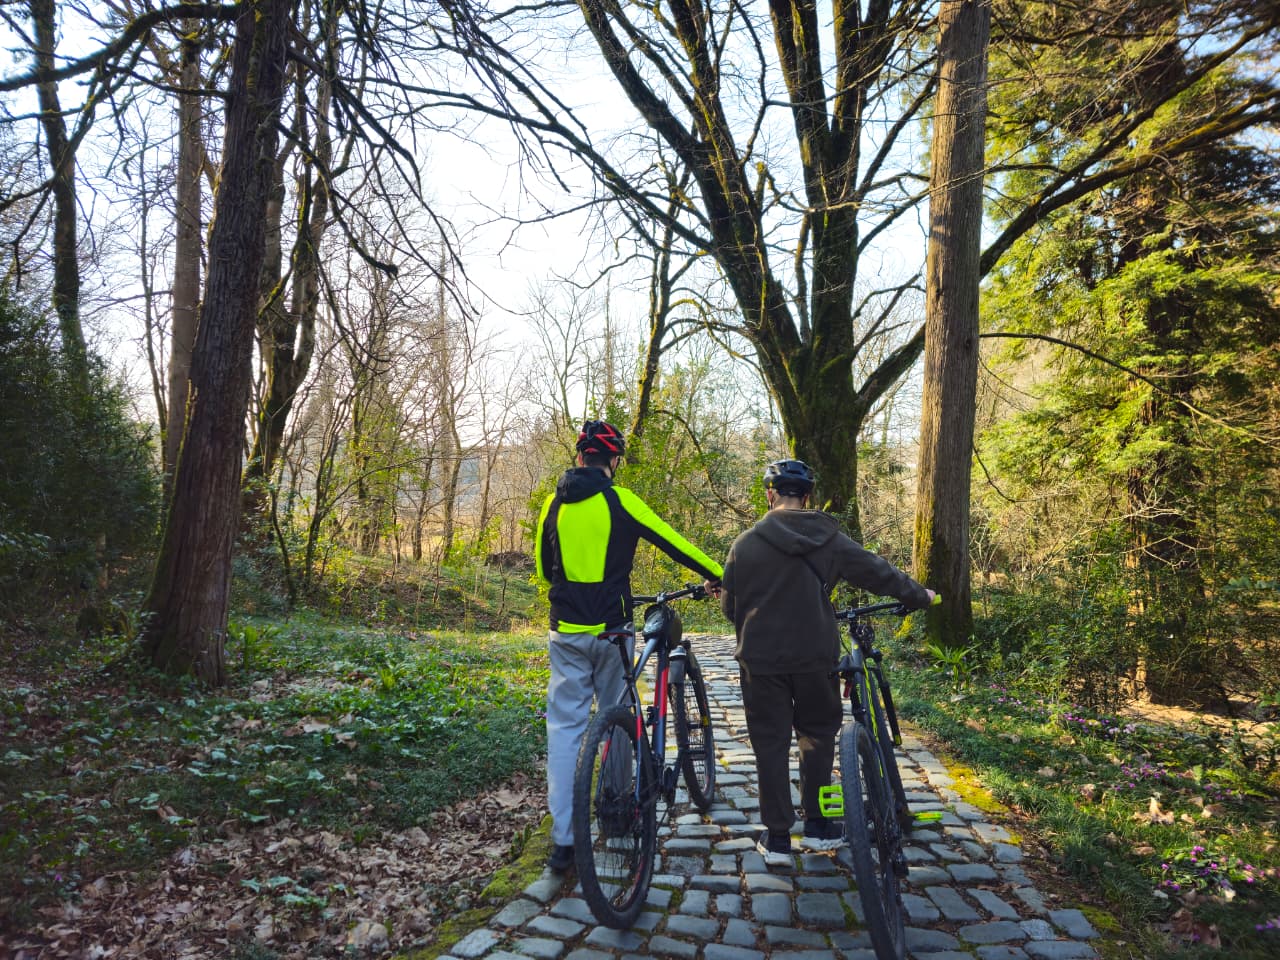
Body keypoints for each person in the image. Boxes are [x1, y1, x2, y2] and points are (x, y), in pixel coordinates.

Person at [719, 458, 935, 866]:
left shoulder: (744, 545)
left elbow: (731, 610)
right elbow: (878, 572)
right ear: (807, 496)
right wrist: (918, 595)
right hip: (815, 656)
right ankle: (818, 824)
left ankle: (778, 837)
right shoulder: (831, 540)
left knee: (770, 742)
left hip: (761, 661)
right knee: (817, 735)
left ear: (770, 494)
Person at [535, 419, 723, 873]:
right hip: (612, 632)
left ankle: (563, 842)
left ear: (580, 456)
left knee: (564, 731)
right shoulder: (619, 500)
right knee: (618, 716)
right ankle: (616, 810)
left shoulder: (552, 504)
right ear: (612, 461)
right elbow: (673, 542)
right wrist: (719, 574)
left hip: (566, 632)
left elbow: (545, 571)